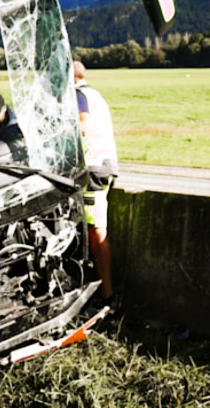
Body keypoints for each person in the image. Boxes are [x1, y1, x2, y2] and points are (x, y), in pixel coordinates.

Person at [73, 60, 117, 300]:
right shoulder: (94, 94)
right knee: (93, 229)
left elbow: (83, 126)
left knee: (96, 231)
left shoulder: (78, 94)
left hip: (92, 168)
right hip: (103, 165)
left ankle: (106, 295)